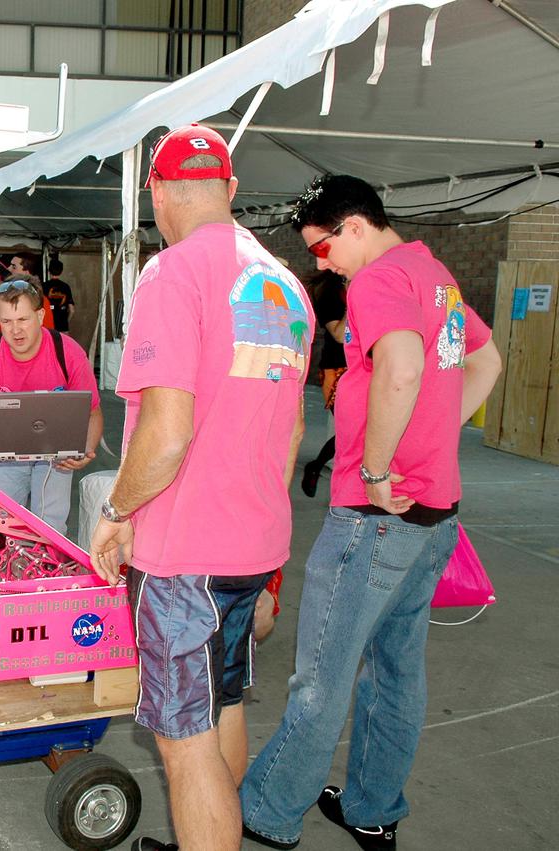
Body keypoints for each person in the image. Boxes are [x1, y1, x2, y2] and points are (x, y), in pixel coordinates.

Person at [241, 174, 502, 851]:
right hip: (434, 515)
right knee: (395, 669)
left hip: (377, 516)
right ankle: (373, 804)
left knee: (320, 678)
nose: (321, 262)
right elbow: (486, 360)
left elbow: (403, 367)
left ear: (353, 226)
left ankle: (267, 813)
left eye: (322, 247)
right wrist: (434, 442)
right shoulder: (433, 273)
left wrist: (381, 467)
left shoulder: (379, 280)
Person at [88, 124, 312, 851]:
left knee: (183, 743)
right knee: (222, 703)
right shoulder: (285, 283)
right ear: (233, 190)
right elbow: (291, 433)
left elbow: (165, 432)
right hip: (252, 545)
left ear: (156, 191)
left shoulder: (173, 273)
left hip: (185, 556)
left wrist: (116, 509)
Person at [0, 275, 101, 534]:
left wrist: (86, 450)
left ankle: (47, 570)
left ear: (40, 315)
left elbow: (92, 412)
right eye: (6, 322)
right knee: (0, 524)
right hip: (4, 455)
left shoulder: (67, 352)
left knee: (50, 526)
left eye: (23, 319)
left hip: (55, 457)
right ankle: (7, 572)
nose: (15, 330)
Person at [300, 270, 348, 497]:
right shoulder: (329, 291)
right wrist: (356, 297)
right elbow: (339, 334)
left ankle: (317, 466)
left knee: (360, 429)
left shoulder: (346, 286)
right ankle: (317, 466)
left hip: (361, 366)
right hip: (338, 368)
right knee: (354, 429)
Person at [0, 252, 55, 332]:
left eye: (14, 267)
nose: (9, 269)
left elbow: (47, 332)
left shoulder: (41, 301)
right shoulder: (3, 298)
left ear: (26, 272)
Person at [45, 257, 76, 332]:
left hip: (48, 327)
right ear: (61, 271)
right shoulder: (66, 287)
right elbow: (72, 310)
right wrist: (66, 322)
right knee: (62, 344)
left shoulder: (43, 286)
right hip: (63, 326)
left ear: (49, 271)